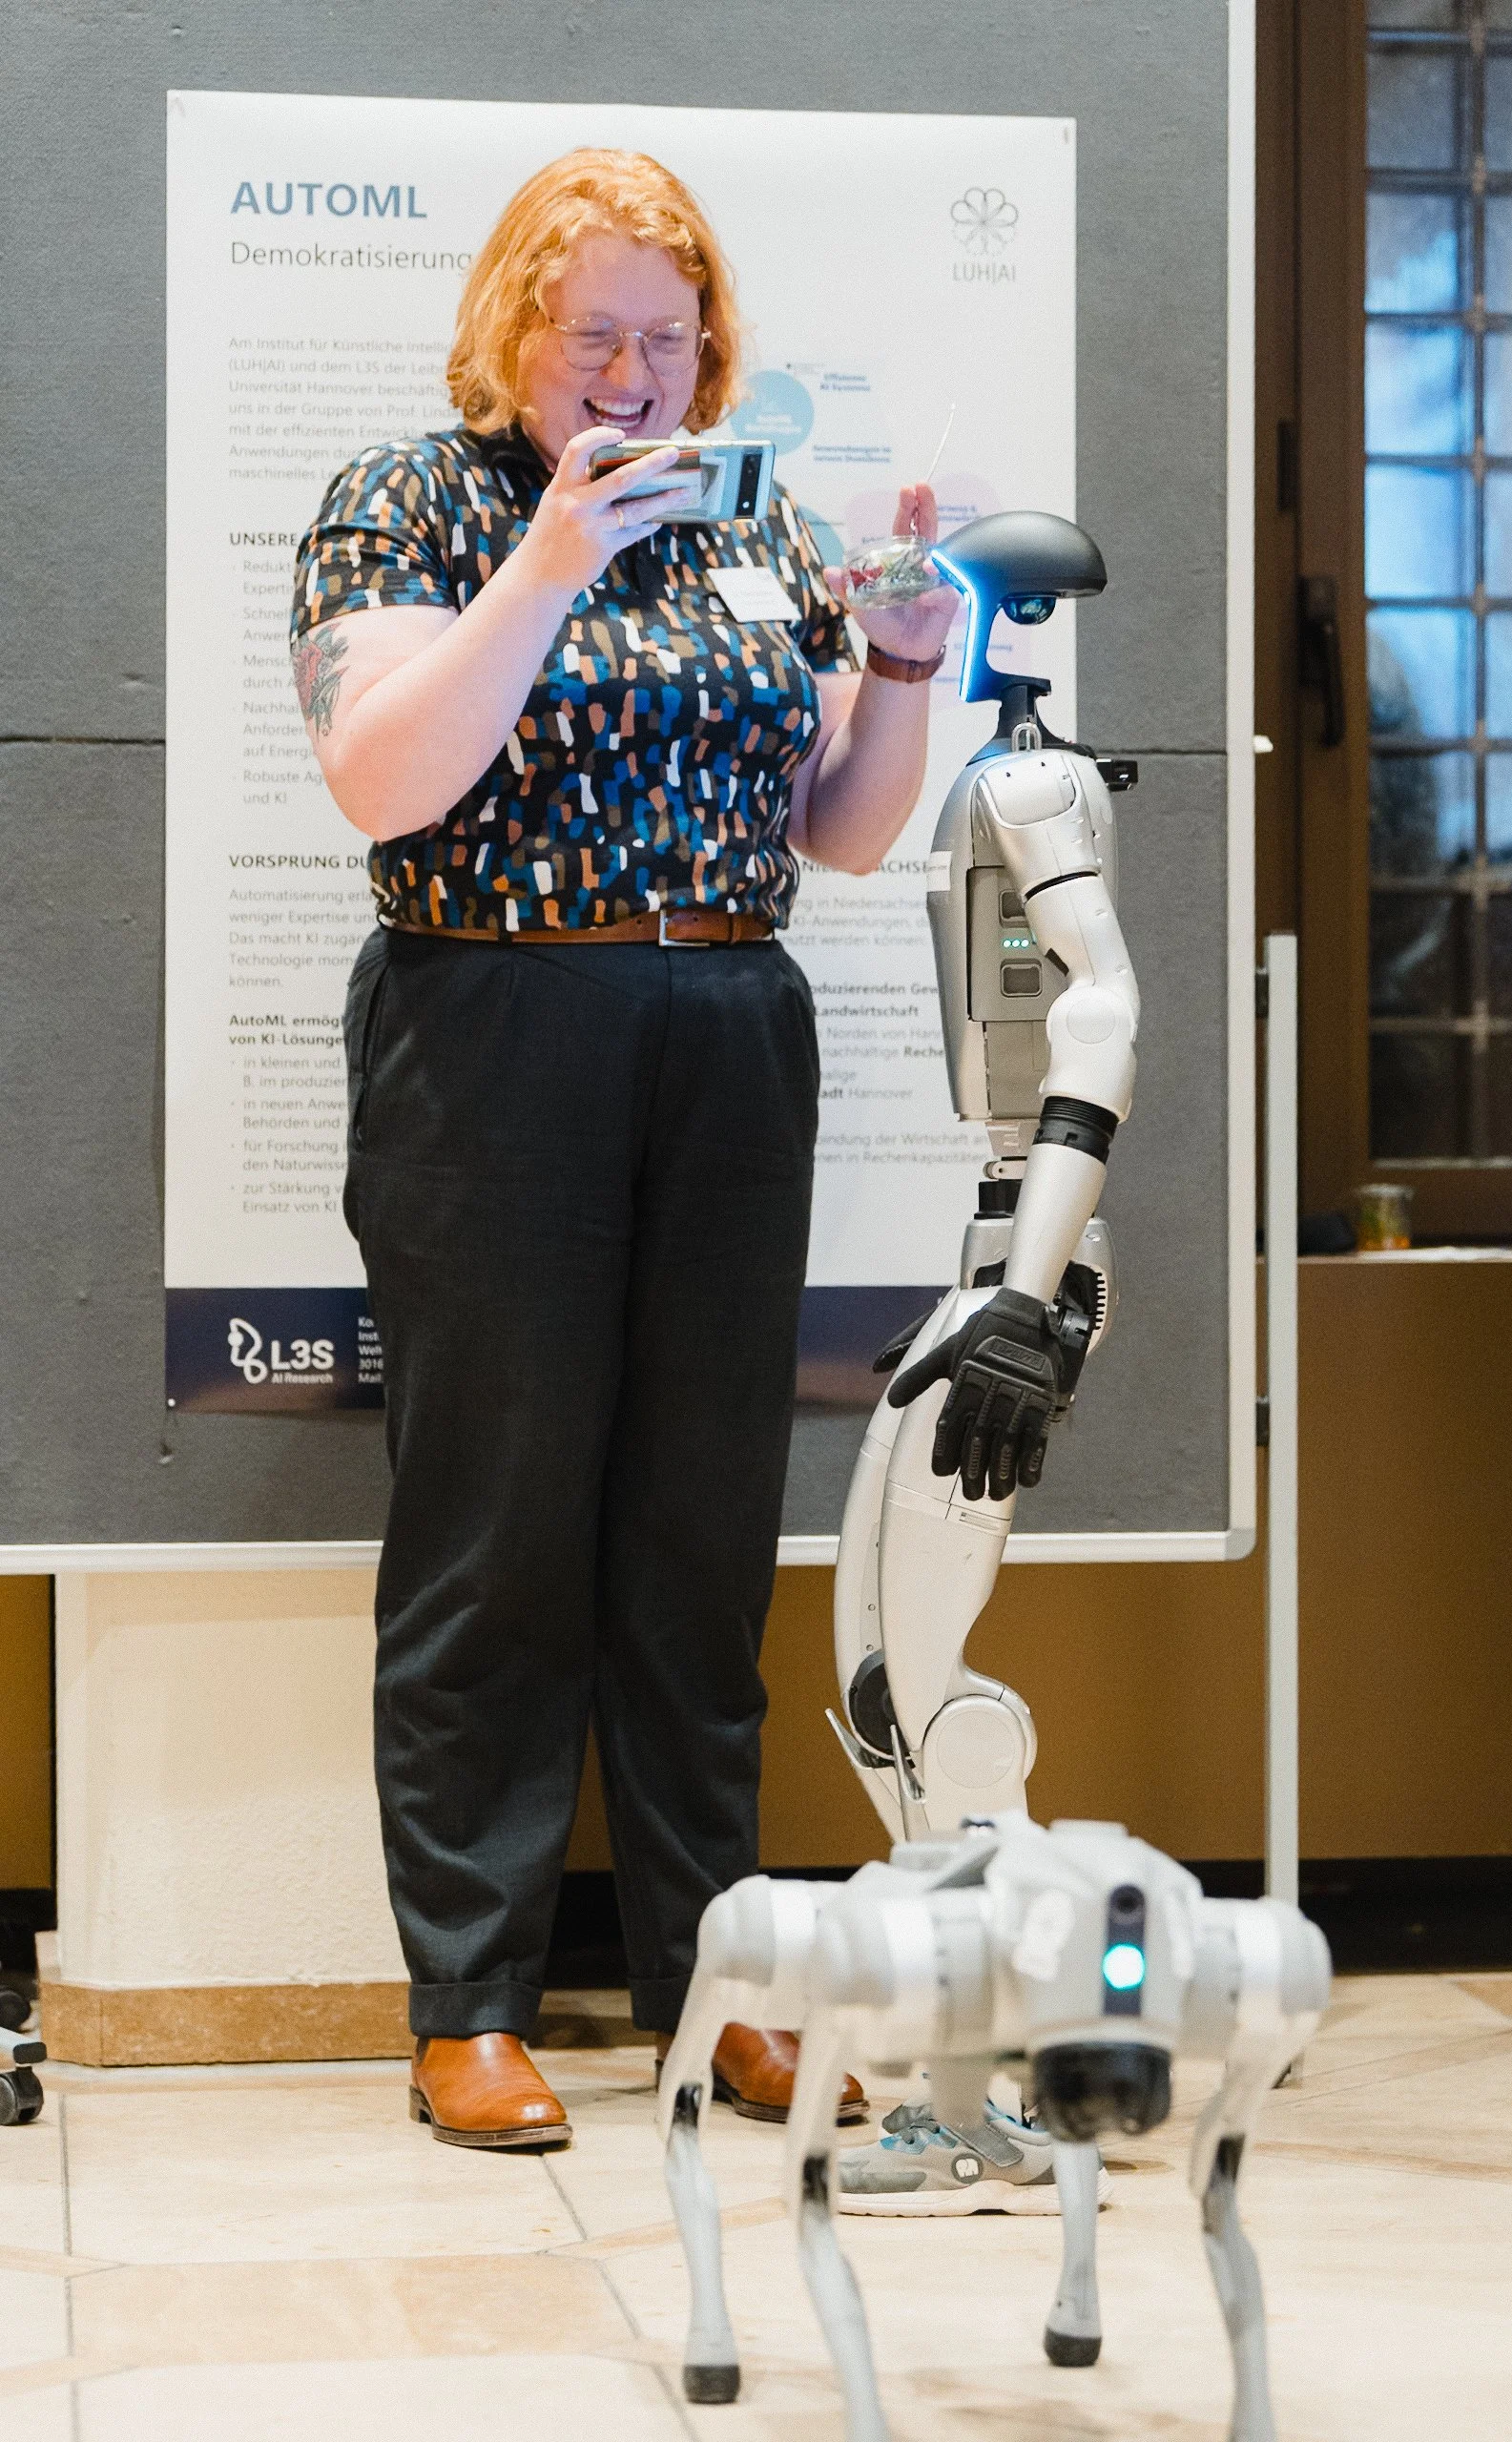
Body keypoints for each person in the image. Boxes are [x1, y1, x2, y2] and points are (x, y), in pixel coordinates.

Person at [290, 148, 958, 2148]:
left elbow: (837, 826)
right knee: (493, 1524)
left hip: (729, 1024)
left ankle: (717, 1976)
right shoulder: (405, 502)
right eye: (597, 335)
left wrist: (905, 658)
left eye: (670, 340)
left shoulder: (754, 531)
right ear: (513, 326)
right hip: (496, 1017)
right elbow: (381, 773)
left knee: (696, 1527)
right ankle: (470, 1997)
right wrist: (555, 560)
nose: (636, 374)